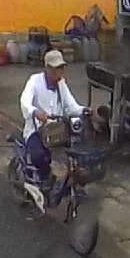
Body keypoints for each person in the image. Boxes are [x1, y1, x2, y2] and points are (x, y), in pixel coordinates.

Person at [19, 49, 87, 211]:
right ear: (47, 68)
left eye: (61, 68)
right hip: (37, 129)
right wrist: (35, 112)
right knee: (39, 156)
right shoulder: (34, 81)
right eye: (56, 68)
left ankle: (69, 185)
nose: (59, 72)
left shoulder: (61, 84)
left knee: (77, 151)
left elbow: (71, 106)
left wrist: (84, 110)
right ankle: (40, 181)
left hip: (57, 130)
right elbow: (24, 101)